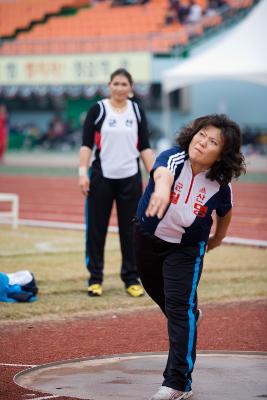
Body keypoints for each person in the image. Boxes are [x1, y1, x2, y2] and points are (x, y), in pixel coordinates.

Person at [135, 114, 246, 400]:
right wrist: (161, 189)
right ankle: (189, 314)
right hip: (147, 238)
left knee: (178, 309)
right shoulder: (173, 157)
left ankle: (178, 383)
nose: (202, 143)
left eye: (213, 142)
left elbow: (226, 210)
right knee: (162, 295)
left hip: (186, 248)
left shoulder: (220, 183)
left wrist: (218, 238)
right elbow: (162, 173)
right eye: (201, 135)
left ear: (222, 154)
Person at [79, 68, 154, 298]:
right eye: (116, 83)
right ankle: (95, 279)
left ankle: (131, 279)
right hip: (102, 177)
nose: (120, 88)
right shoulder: (98, 110)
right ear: (109, 85)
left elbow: (144, 147)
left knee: (131, 231)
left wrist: (157, 177)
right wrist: (83, 173)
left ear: (130, 88)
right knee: (96, 230)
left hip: (130, 179)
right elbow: (86, 145)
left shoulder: (137, 111)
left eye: (124, 84)